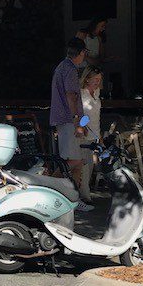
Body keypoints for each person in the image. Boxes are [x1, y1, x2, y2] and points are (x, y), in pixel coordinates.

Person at [50, 38, 88, 189]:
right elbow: (71, 96)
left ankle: (74, 198)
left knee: (76, 161)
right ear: (82, 52)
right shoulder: (70, 69)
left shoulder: (62, 66)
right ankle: (48, 186)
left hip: (65, 119)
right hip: (68, 120)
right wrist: (77, 120)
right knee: (74, 161)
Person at [78, 66, 103, 211]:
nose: (97, 82)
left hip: (94, 134)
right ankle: (85, 196)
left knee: (90, 166)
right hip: (85, 134)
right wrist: (82, 127)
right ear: (87, 79)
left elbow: (96, 117)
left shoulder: (96, 93)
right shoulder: (82, 94)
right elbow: (79, 115)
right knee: (84, 167)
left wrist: (99, 136)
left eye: (99, 80)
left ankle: (85, 195)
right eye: (95, 79)